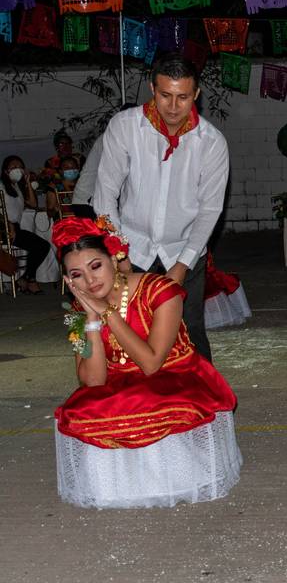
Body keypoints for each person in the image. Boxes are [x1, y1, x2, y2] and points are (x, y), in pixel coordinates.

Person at [51, 216, 241, 508]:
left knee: (146, 398)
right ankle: (119, 485)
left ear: (114, 259)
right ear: (67, 281)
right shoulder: (78, 311)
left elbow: (151, 364)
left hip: (172, 373)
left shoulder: (161, 291)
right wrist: (90, 319)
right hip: (119, 380)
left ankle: (172, 477)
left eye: (96, 266)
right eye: (76, 275)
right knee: (85, 407)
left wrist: (108, 314)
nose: (89, 281)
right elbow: (93, 381)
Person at [93, 52, 229, 361]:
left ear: (196, 94)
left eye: (183, 97)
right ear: (153, 89)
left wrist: (182, 266)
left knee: (190, 331)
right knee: (128, 334)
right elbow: (105, 196)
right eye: (165, 95)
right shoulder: (125, 127)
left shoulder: (211, 142)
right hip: (131, 248)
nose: (173, 107)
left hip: (184, 250)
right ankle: (139, 406)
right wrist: (120, 254)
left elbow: (210, 210)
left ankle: (206, 405)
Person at [1, 155, 49, 294]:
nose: (17, 169)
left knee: (42, 245)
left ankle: (26, 278)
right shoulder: (1, 185)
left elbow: (33, 204)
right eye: (13, 167)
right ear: (5, 171)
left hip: (14, 228)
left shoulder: (16, 187)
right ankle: (30, 280)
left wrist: (27, 182)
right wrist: (7, 224)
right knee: (39, 246)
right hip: (3, 228)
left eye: (20, 167)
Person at [45, 154, 81, 219]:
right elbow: (49, 214)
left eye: (73, 167)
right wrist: (55, 209)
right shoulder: (54, 187)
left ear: (78, 169)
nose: (71, 170)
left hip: (83, 223)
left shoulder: (83, 185)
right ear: (60, 171)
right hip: (64, 225)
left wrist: (66, 186)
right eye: (67, 168)